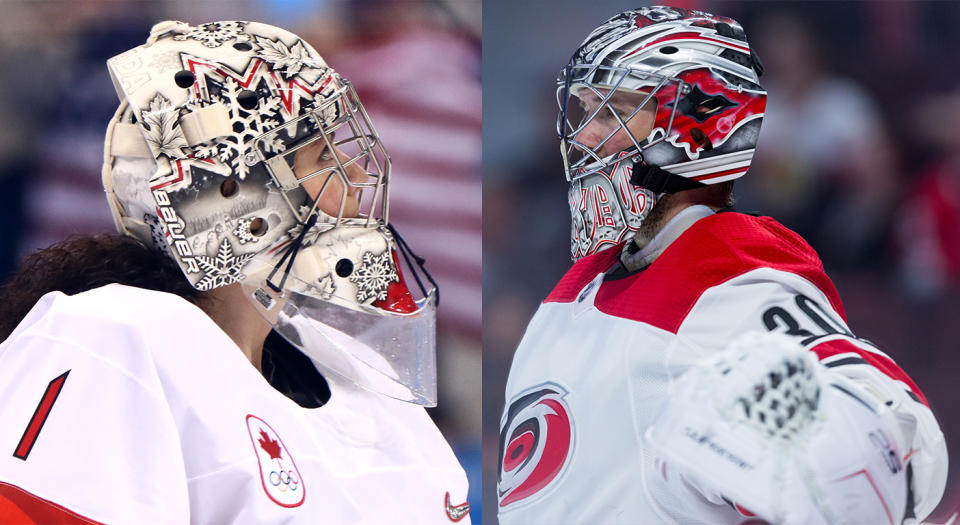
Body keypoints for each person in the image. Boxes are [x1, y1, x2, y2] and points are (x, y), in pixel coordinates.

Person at [0, 20, 470, 524]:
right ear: (232, 194)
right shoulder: (113, 335)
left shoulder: (365, 379)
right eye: (324, 157)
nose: (356, 180)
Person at [497, 7, 946, 525]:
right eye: (584, 112)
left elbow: (894, 435)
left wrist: (823, 448)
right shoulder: (577, 285)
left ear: (696, 127)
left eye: (613, 111)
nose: (583, 137)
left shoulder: (731, 268)